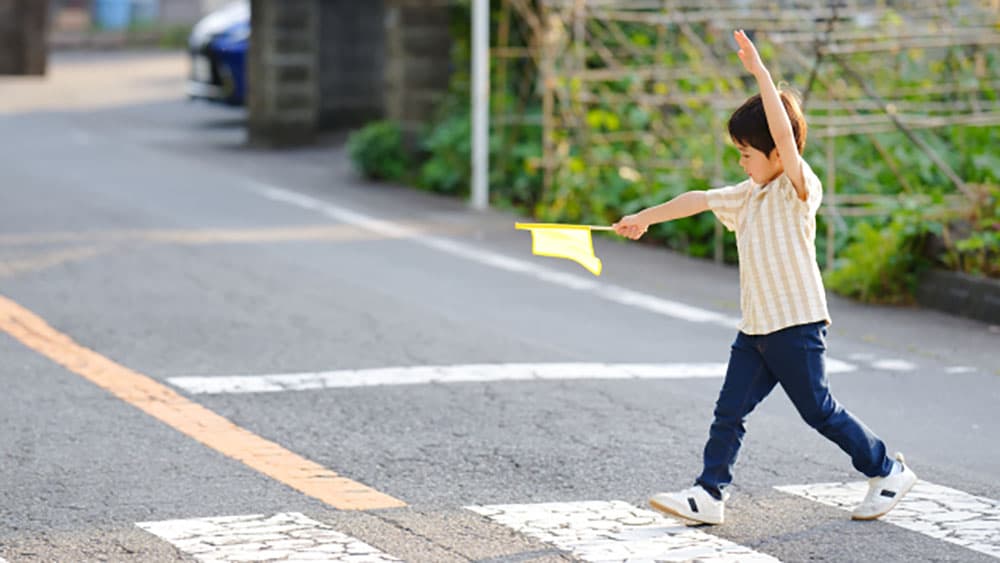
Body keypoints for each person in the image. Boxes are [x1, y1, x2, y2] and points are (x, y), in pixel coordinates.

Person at [612, 30, 917, 525]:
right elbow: (697, 198)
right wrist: (645, 216)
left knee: (819, 411)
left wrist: (762, 75)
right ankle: (709, 493)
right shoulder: (746, 194)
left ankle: (886, 469)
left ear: (778, 154)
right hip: (755, 331)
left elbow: (783, 138)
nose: (741, 161)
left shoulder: (798, 189)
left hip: (796, 326)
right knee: (728, 412)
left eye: (747, 153)